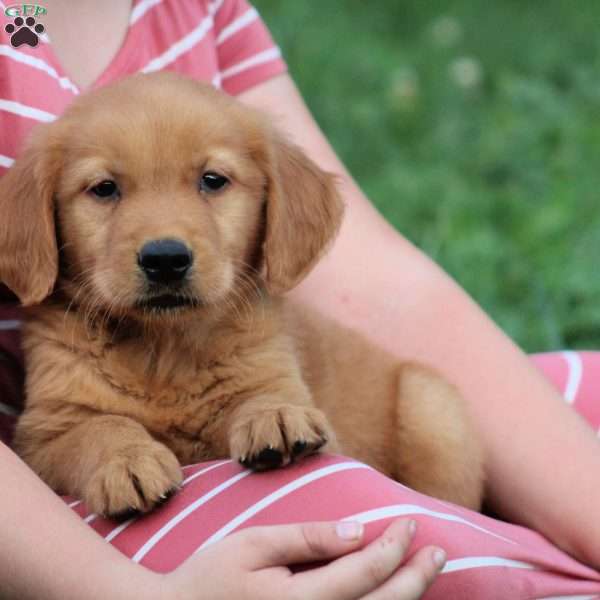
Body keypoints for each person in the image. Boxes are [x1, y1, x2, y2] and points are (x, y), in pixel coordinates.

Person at [1, 1, 600, 598]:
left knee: (553, 395)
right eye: (103, 189)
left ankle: (517, 547)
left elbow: (374, 284)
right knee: (364, 524)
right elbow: (53, 435)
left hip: (381, 452)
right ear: (43, 215)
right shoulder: (60, 345)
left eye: (214, 182)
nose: (164, 243)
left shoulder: (202, 8)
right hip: (65, 548)